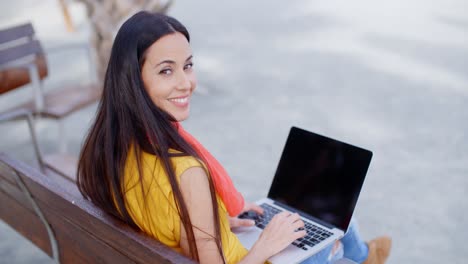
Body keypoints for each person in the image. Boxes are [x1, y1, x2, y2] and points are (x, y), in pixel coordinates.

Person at [77, 11, 391, 264]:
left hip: (206, 245)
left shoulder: (111, 151)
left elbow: (166, 222)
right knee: (334, 222)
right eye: (166, 71)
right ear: (134, 80)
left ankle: (361, 254)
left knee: (323, 219)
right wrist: (266, 245)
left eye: (188, 66)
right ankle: (360, 256)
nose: (186, 83)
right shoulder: (186, 173)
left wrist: (214, 223)